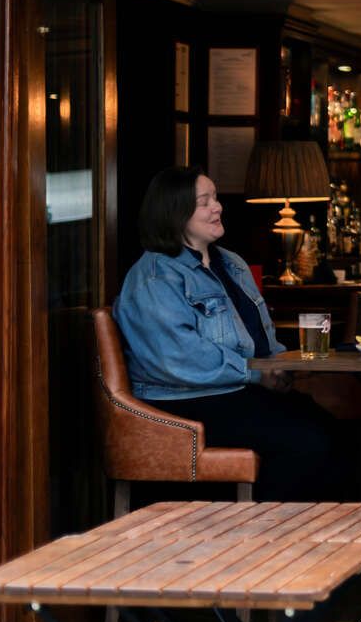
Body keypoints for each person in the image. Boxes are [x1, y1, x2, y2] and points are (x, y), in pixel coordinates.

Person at [114, 166, 348, 501]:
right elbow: (178, 358)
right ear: (174, 212)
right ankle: (260, 541)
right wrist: (256, 374)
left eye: (216, 198)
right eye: (203, 201)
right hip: (185, 403)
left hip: (236, 390)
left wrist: (279, 367)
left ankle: (321, 544)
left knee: (336, 430)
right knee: (308, 441)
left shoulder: (232, 263)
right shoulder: (154, 277)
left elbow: (260, 338)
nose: (217, 207)